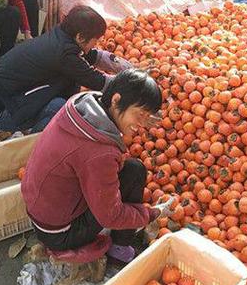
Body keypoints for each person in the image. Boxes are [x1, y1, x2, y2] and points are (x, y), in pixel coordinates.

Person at [21, 69, 173, 263]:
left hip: (41, 213)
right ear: (116, 99)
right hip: (60, 234)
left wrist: (138, 114)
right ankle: (119, 248)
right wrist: (152, 213)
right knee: (135, 172)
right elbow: (111, 216)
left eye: (146, 116)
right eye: (140, 115)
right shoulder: (99, 153)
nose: (142, 125)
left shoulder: (81, 107)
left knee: (132, 168)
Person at [0, 5, 132, 133]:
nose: (96, 43)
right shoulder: (63, 54)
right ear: (80, 37)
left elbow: (89, 57)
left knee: (69, 83)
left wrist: (126, 67)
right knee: (60, 107)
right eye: (95, 39)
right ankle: (36, 142)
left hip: (2, 100)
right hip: (2, 113)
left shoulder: (60, 37)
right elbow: (97, 81)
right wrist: (131, 83)